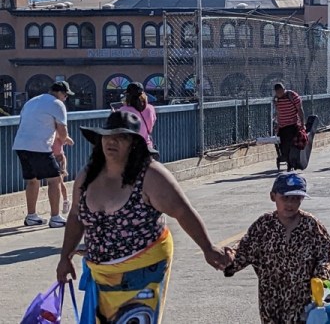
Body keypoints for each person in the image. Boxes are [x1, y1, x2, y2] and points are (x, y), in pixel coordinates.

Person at [56, 111, 230, 321]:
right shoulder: (87, 175)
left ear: (134, 144)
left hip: (143, 271)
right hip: (101, 275)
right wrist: (64, 257)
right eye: (107, 135)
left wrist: (207, 247)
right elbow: (75, 216)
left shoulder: (151, 176)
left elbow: (183, 211)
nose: (112, 141)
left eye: (122, 137)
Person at [224, 173, 330, 324]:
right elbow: (244, 250)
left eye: (296, 199)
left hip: (302, 303)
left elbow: (325, 254)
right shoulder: (263, 225)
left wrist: (321, 276)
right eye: (285, 198)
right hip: (270, 304)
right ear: (273, 196)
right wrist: (228, 259)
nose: (290, 204)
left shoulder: (312, 226)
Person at [14, 80, 73, 227]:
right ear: (60, 93)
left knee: (32, 180)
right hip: (39, 147)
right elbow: (62, 131)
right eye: (66, 95)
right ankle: (55, 217)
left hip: (21, 145)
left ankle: (31, 216)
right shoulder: (57, 104)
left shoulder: (32, 101)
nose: (65, 98)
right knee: (54, 180)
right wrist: (66, 139)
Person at [118, 81, 157, 154]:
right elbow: (150, 128)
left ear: (128, 96)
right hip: (147, 147)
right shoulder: (150, 109)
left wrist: (115, 115)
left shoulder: (123, 110)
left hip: (130, 150)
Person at [273, 82, 305, 171]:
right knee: (283, 147)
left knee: (292, 145)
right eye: (277, 93)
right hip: (282, 127)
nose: (279, 94)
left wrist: (302, 123)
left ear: (284, 89)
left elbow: (300, 109)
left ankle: (291, 165)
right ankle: (287, 161)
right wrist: (276, 124)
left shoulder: (292, 96)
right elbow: (277, 112)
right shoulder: (276, 99)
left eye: (281, 92)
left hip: (293, 125)